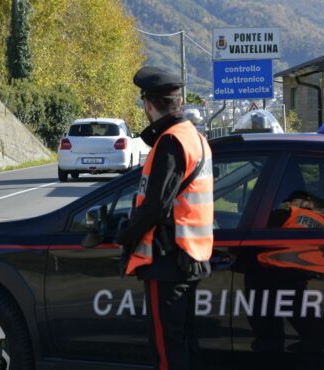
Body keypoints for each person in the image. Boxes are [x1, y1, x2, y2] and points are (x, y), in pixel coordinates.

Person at [117, 66, 214, 370]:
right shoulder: (194, 137)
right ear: (178, 101)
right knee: (184, 342)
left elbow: (156, 206)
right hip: (190, 257)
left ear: (148, 104)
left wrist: (125, 235)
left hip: (167, 262)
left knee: (166, 349)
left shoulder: (170, 142)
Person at [244, 190, 324, 352]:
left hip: (276, 269)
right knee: (295, 303)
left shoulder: (285, 214)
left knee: (263, 297)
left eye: (288, 201)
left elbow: (254, 235)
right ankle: (319, 335)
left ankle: (269, 344)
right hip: (310, 270)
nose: (286, 204)